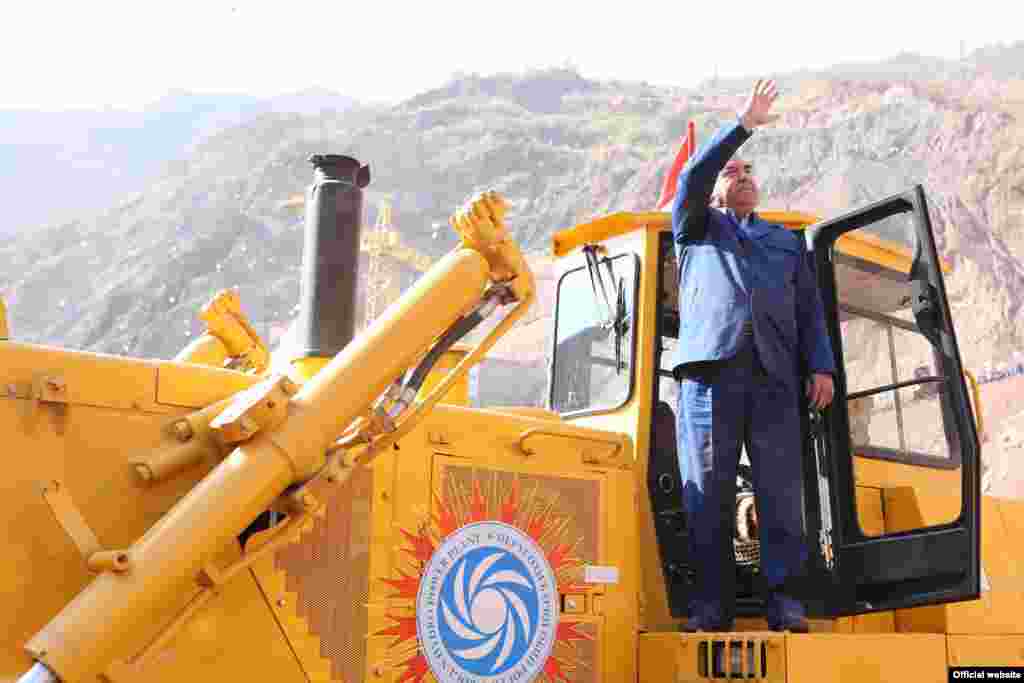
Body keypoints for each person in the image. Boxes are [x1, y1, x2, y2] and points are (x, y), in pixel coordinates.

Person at [671, 79, 836, 632]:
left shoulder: (786, 242)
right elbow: (693, 177)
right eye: (732, 172)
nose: (743, 176)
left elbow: (810, 310)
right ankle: (710, 607)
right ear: (715, 191)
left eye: (748, 171)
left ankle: (785, 602)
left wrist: (821, 366)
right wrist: (742, 125)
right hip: (710, 381)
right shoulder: (695, 228)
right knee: (708, 496)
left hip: (773, 380)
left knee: (781, 495)